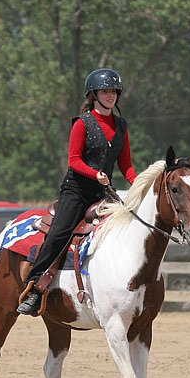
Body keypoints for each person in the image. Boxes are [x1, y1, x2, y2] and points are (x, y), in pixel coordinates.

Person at [17, 68, 138, 316]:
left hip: (103, 193)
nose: (110, 96)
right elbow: (73, 161)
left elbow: (125, 164)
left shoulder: (121, 126)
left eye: (114, 91)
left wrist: (138, 187)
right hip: (77, 190)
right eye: (105, 91)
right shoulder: (82, 123)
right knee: (59, 233)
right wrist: (95, 174)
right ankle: (34, 287)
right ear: (93, 94)